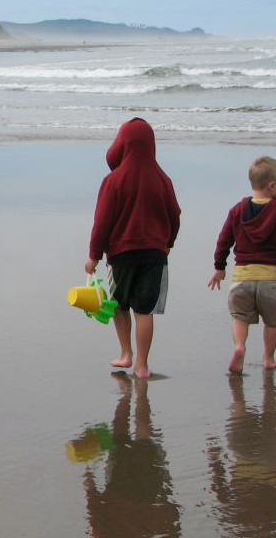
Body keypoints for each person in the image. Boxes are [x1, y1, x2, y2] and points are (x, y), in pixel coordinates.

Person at [85, 118, 180, 379]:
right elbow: (175, 215)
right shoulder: (163, 180)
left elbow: (102, 222)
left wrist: (94, 255)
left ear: (122, 145)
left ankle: (126, 352)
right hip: (154, 254)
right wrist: (168, 242)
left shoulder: (113, 180)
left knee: (118, 304)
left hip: (121, 254)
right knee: (145, 310)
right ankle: (142, 364)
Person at [208, 156, 276, 374]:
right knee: (272, 322)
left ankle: (239, 346)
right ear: (272, 186)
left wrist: (219, 267)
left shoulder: (237, 210)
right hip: (272, 281)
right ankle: (268, 358)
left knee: (239, 317)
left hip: (242, 279)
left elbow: (224, 239)